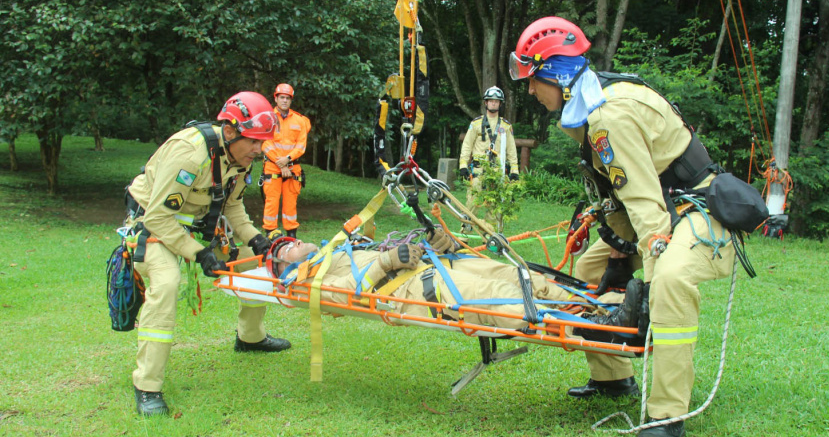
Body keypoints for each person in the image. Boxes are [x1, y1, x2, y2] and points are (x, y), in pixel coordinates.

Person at [509, 17, 736, 437]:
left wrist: (649, 276)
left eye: (534, 80)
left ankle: (667, 414)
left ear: (556, 73)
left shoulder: (607, 115)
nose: (532, 91)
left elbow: (646, 203)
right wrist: (610, 244)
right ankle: (613, 378)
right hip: (658, 208)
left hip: (696, 209)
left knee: (669, 281)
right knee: (590, 268)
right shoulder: (592, 103)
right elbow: (621, 191)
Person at [125, 91, 291, 417]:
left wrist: (257, 240)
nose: (260, 150)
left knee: (256, 263)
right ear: (230, 132)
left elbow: (233, 205)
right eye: (254, 142)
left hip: (195, 229)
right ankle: (147, 386)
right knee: (168, 282)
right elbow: (157, 217)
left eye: (263, 142)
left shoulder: (238, 158)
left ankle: (251, 338)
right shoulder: (189, 154)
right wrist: (199, 253)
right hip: (152, 226)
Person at [263, 229, 643, 335]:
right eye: (286, 248)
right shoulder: (303, 285)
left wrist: (434, 243)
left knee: (518, 276)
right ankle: (601, 328)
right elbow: (345, 295)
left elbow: (394, 249)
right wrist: (386, 262)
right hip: (419, 290)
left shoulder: (339, 250)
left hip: (436, 266)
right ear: (284, 268)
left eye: (290, 239)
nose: (293, 242)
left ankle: (606, 306)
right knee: (504, 299)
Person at [458, 86, 520, 232]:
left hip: (497, 171)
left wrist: (515, 171)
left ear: (500, 104)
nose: (493, 103)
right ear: (486, 103)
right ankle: (464, 234)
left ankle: (490, 235)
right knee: (472, 202)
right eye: (490, 101)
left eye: (496, 101)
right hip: (479, 169)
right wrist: (463, 165)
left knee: (494, 206)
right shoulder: (476, 124)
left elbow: (511, 150)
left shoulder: (505, 126)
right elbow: (467, 146)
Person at [261, 83, 311, 240]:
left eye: (287, 98)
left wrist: (287, 161)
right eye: (281, 97)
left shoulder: (300, 121)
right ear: (275, 98)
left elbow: (301, 146)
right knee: (271, 203)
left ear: (291, 100)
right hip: (273, 166)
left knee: (291, 205)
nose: (284, 101)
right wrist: (279, 162)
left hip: (292, 167)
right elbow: (265, 143)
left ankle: (291, 237)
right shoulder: (267, 118)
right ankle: (270, 235)